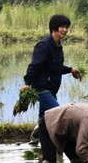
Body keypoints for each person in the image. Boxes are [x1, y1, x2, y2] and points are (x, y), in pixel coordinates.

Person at [23, 14, 83, 143]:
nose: (65, 30)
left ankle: (36, 139)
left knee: (44, 118)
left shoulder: (57, 46)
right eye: (62, 27)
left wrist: (70, 69)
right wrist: (27, 83)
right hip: (41, 88)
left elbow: (54, 67)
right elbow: (35, 66)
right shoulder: (43, 45)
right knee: (58, 113)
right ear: (54, 28)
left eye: (67, 27)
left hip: (51, 88)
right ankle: (61, 144)